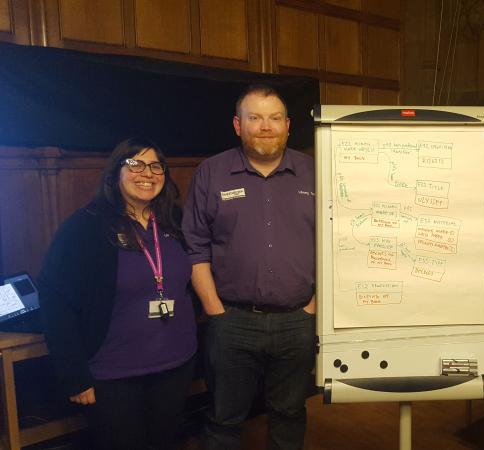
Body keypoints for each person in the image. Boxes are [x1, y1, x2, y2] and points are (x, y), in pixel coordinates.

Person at [37, 137, 197, 450]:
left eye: (155, 166)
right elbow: (56, 301)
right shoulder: (85, 228)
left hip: (175, 364)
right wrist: (75, 375)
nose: (146, 173)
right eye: (135, 164)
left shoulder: (175, 221)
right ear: (115, 173)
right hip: (113, 373)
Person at [183, 84, 316, 450]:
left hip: (297, 320)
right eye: (254, 118)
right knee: (224, 419)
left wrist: (313, 306)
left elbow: (335, 244)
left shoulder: (314, 173)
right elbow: (194, 246)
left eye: (274, 118)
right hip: (232, 322)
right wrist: (215, 309)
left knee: (289, 415)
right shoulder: (212, 173)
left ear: (288, 125)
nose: (265, 126)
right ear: (237, 125)